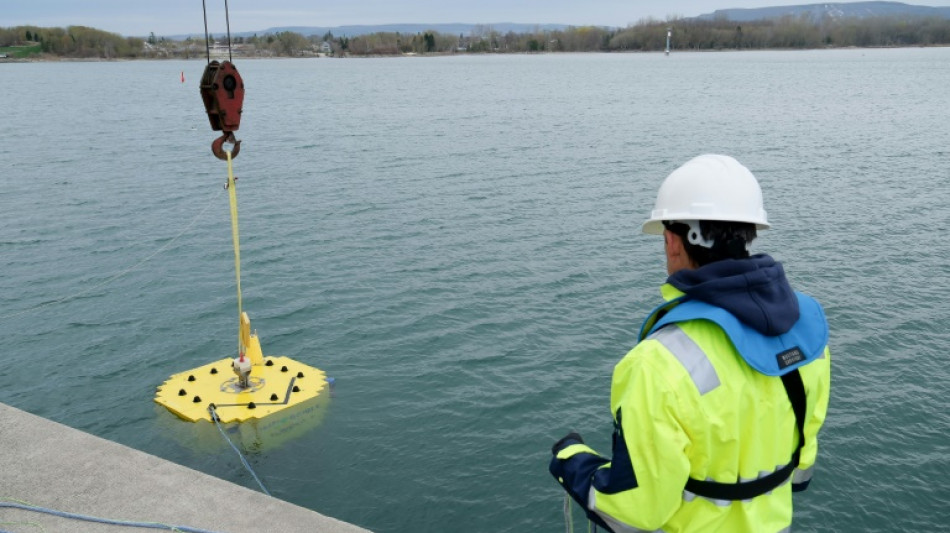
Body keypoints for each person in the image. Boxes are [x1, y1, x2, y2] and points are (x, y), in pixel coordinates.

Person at [549, 154, 831, 532]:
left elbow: (633, 511)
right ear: (749, 232)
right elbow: (803, 454)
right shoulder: (807, 326)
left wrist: (572, 462)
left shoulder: (657, 363)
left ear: (672, 241)